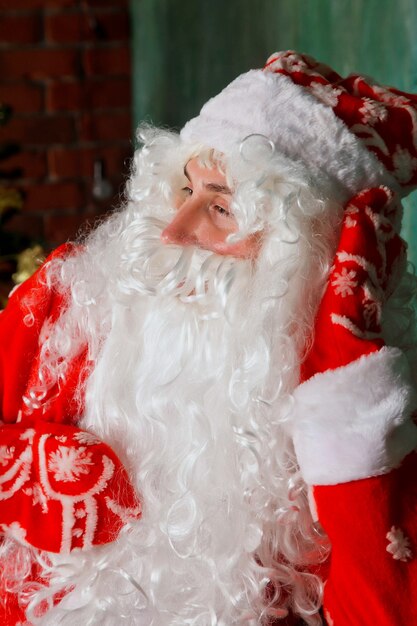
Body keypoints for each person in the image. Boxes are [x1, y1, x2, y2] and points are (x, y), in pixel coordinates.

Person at [0, 50, 416, 625]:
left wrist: (346, 400)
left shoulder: (366, 410)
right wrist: (28, 475)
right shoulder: (72, 300)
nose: (175, 230)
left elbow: (384, 611)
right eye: (185, 189)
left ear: (306, 254)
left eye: (221, 207)